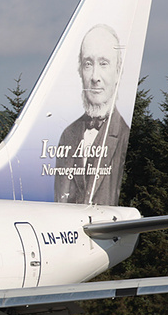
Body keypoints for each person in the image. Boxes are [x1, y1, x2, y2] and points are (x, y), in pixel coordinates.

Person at [53, 24, 130, 205]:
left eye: (103, 64)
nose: (95, 77)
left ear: (118, 72)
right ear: (81, 71)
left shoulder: (125, 135)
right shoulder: (68, 135)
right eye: (88, 64)